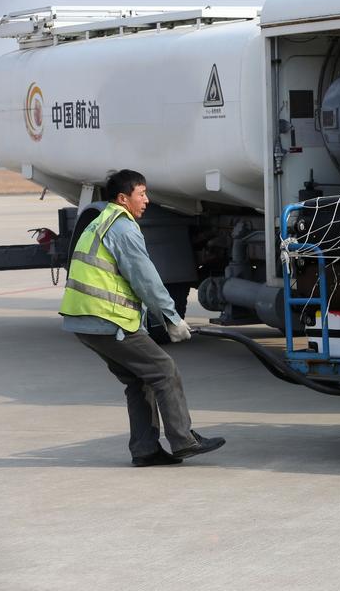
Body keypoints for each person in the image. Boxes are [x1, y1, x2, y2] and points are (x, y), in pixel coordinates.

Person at [59, 169, 225, 466]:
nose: (146, 200)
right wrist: (172, 319)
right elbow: (146, 280)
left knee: (139, 379)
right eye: (141, 194)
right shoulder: (123, 228)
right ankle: (183, 440)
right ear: (124, 199)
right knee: (164, 369)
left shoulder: (100, 221)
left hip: (84, 319)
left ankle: (145, 449)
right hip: (107, 319)